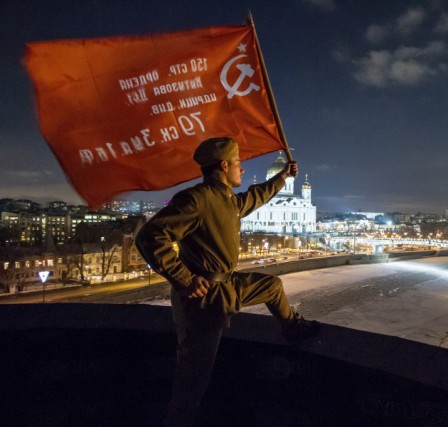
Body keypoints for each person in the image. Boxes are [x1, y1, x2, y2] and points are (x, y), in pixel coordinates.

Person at [135, 137, 320, 426]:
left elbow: (254, 197)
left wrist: (283, 177)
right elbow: (149, 236)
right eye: (238, 164)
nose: (242, 170)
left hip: (225, 287)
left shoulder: (226, 199)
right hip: (203, 298)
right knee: (193, 378)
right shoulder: (197, 199)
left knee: (271, 286)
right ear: (224, 165)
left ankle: (293, 328)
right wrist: (184, 279)